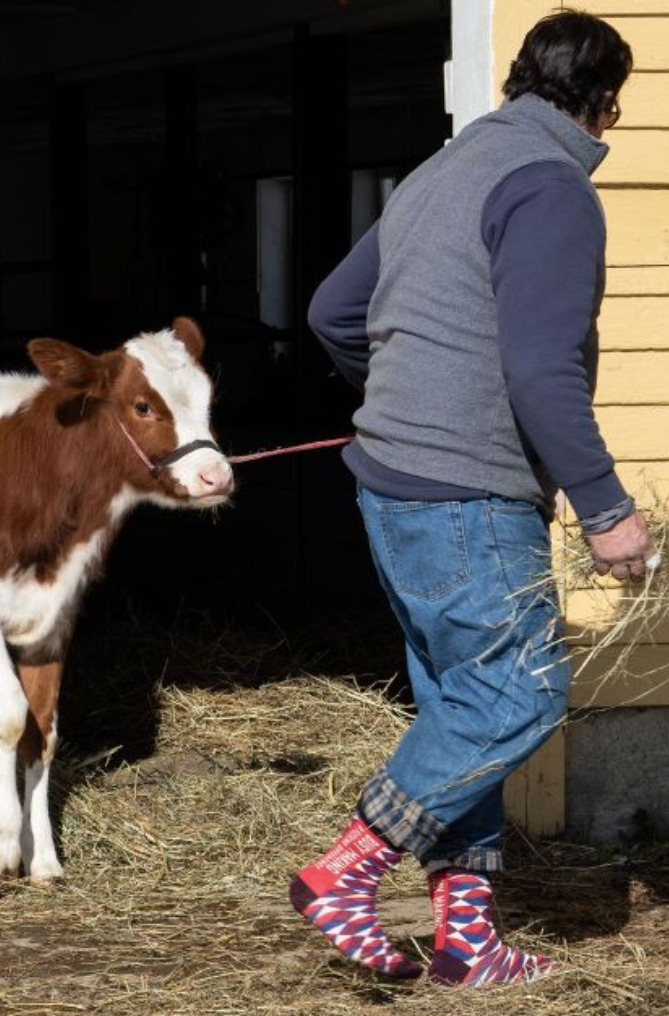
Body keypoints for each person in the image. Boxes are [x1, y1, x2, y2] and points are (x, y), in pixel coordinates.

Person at [289, 10, 658, 988]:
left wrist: (406, 396)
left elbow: (333, 311)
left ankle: (467, 938)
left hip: (392, 487)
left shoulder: (441, 175)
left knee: (463, 704)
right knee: (518, 692)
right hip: (467, 494)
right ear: (604, 101)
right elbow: (541, 370)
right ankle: (346, 872)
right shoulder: (551, 187)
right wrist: (609, 506)